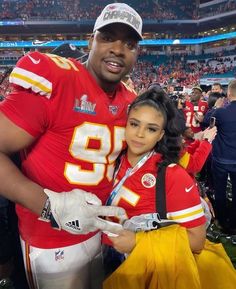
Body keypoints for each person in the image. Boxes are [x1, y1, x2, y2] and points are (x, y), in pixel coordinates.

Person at [0, 3, 143, 289]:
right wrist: (48, 206)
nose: (118, 48)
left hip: (97, 231)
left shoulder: (130, 98)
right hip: (49, 238)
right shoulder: (57, 80)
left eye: (129, 43)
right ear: (91, 41)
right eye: (107, 37)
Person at [106, 88, 206, 256]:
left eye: (151, 129)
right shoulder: (111, 158)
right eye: (134, 124)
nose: (139, 134)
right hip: (102, 257)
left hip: (142, 270)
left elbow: (197, 241)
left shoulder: (172, 175)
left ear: (160, 135)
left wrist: (138, 242)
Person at [210, 80, 236, 235]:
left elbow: (206, 122)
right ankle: (233, 223)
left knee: (220, 191)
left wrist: (215, 107)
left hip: (221, 159)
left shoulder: (221, 112)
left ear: (228, 94)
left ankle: (222, 221)